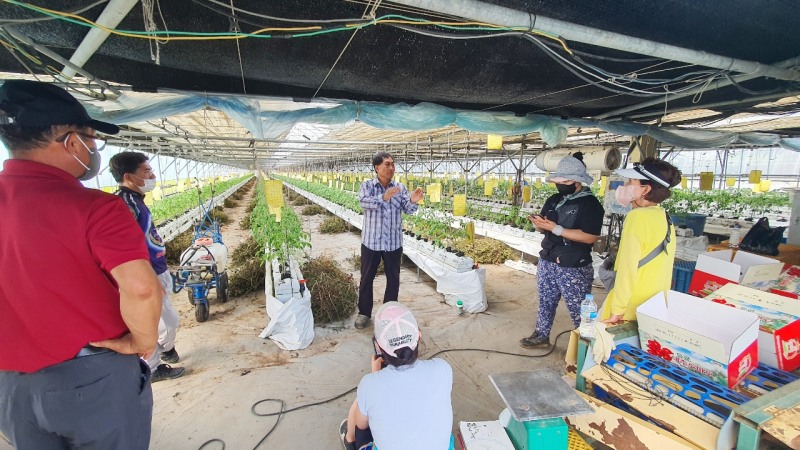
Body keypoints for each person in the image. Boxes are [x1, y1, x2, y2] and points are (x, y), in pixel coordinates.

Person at [0, 80, 162, 448]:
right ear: (72, 143)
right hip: (91, 379)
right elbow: (140, 287)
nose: (93, 150)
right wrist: (143, 339)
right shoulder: (97, 208)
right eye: (92, 140)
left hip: (10, 384)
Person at [109, 152, 185, 382]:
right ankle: (153, 367)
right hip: (146, 275)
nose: (152, 175)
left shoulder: (136, 200)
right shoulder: (125, 205)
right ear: (129, 176)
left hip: (156, 270)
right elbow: (126, 248)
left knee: (163, 319)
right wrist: (148, 278)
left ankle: (164, 351)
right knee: (153, 322)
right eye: (146, 171)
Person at [340, 303, 453, 450]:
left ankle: (350, 441)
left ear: (379, 346)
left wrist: (375, 376)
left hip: (372, 388)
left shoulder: (370, 384)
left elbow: (361, 425)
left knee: (361, 425)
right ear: (419, 336)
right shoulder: (443, 368)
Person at [520, 153, 604, 348]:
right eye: (558, 181)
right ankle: (541, 334)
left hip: (573, 265)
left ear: (577, 182)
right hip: (548, 259)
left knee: (578, 308)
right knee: (546, 301)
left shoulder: (590, 205)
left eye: (565, 181)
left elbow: (590, 236)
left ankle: (588, 346)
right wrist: (539, 225)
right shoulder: (554, 199)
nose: (560, 185)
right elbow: (545, 226)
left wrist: (556, 229)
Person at [601, 158, 682, 324]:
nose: (626, 185)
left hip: (631, 304)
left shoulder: (637, 217)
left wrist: (618, 309)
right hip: (653, 302)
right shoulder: (664, 216)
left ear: (645, 189)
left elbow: (627, 267)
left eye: (631, 181)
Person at [355, 152, 424, 329]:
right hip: (372, 242)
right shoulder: (368, 185)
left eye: (393, 164)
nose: (391, 168)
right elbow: (364, 202)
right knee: (367, 278)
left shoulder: (399, 187)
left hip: (393, 243)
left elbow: (407, 209)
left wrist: (414, 201)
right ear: (377, 167)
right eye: (387, 164)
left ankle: (389, 313)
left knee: (393, 279)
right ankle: (364, 313)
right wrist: (383, 197)